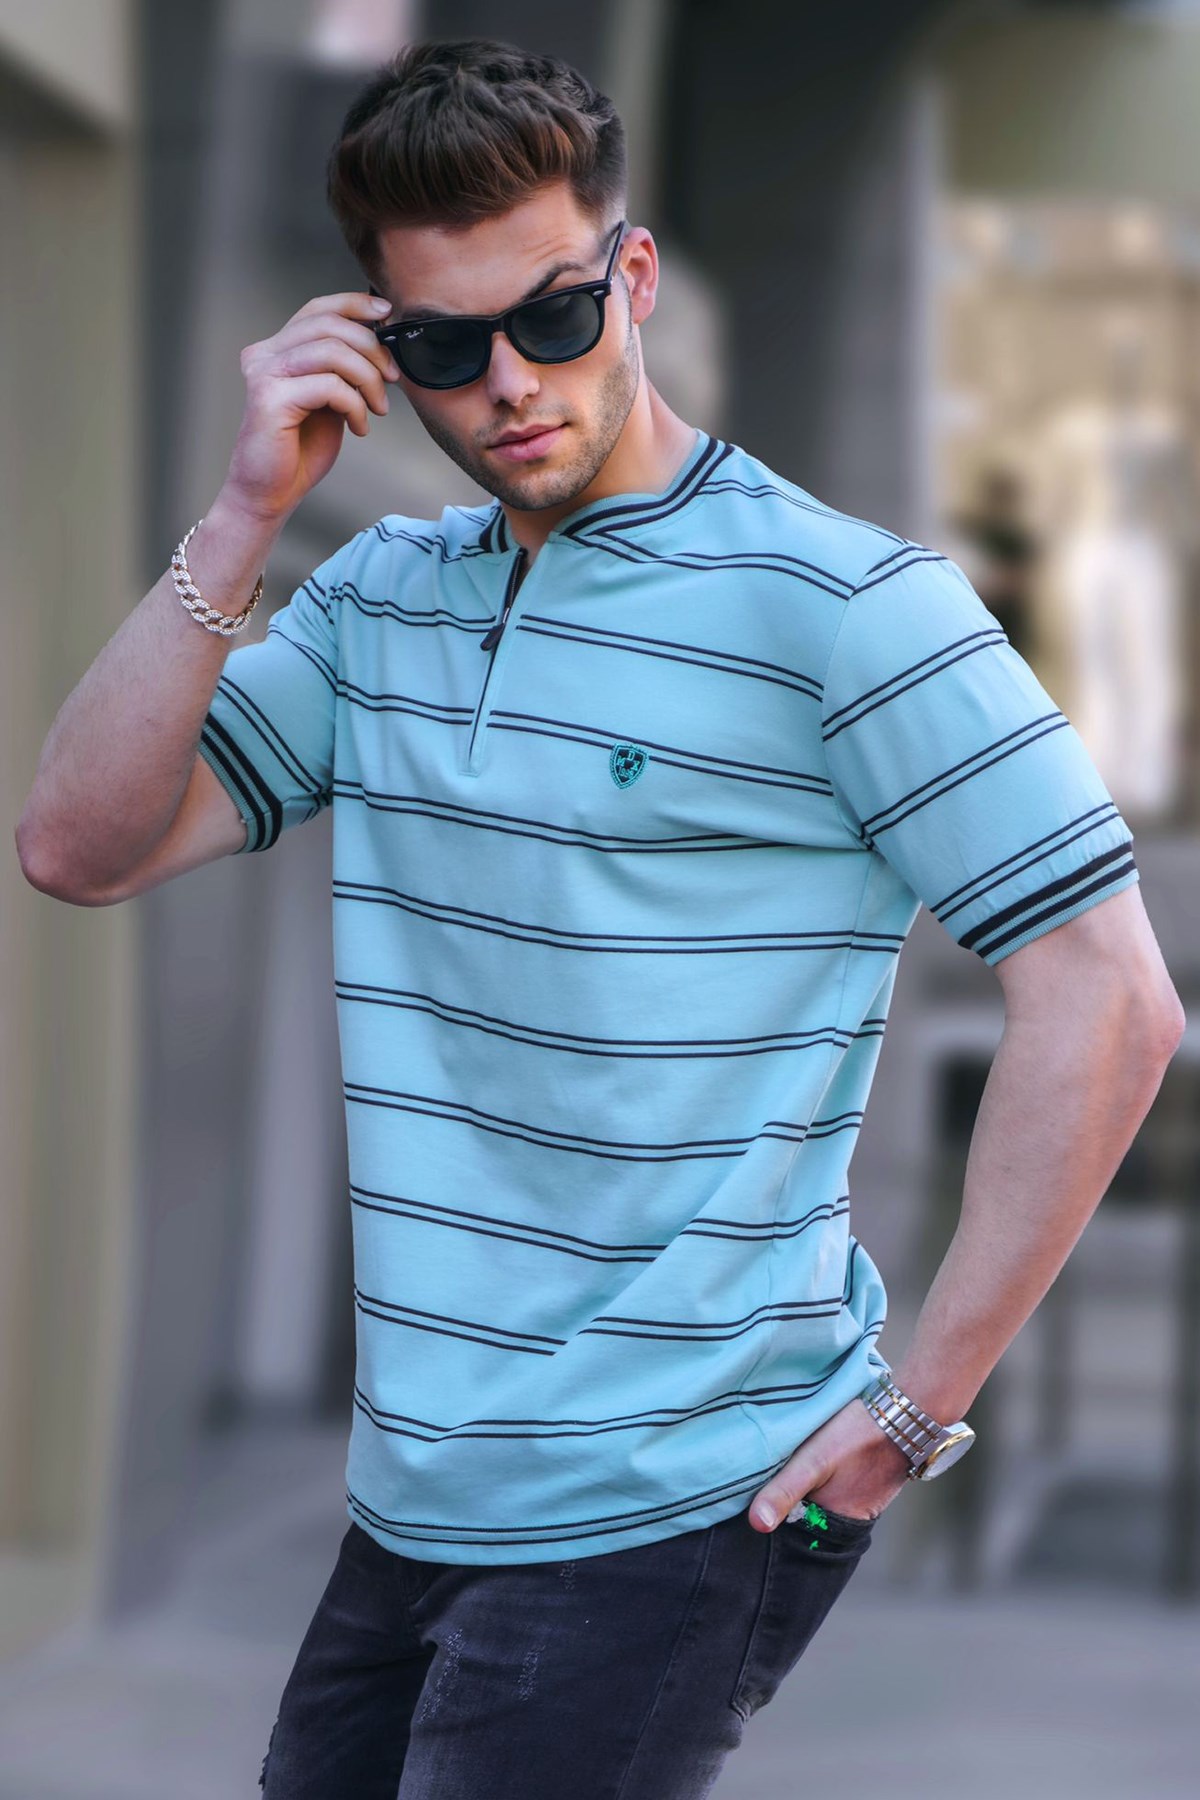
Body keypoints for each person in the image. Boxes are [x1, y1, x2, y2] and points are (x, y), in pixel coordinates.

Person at [15, 36, 1185, 1800]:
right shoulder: (380, 602)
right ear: (380, 345)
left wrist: (915, 1409)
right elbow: (77, 846)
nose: (509, 385)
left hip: (672, 1505)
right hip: (413, 1496)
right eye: (444, 347)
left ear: (633, 277)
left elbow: (1109, 1001)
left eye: (553, 317)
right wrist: (245, 513)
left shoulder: (847, 608)